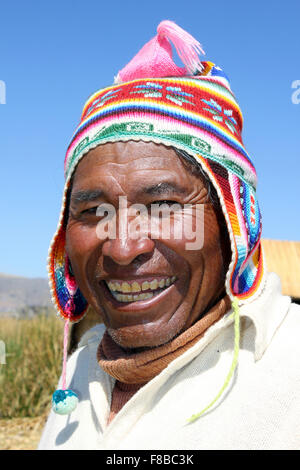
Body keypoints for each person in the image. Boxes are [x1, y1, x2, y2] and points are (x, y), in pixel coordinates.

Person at [38, 21, 300, 450]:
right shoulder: (82, 365)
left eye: (162, 208)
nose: (122, 248)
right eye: (92, 211)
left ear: (235, 220)